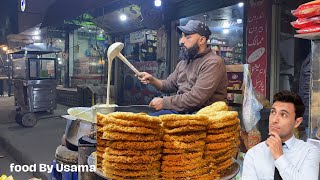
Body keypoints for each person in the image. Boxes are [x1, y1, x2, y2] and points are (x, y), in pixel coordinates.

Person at [138, 20, 228, 116]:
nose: (181, 41)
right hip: (183, 111)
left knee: (148, 123)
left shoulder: (213, 62)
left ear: (202, 40)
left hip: (202, 114)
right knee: (141, 119)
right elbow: (169, 84)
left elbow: (196, 98)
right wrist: (152, 80)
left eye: (188, 37)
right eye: (182, 36)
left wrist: (164, 102)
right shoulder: (184, 62)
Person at [242, 90, 320, 180]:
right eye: (273, 112)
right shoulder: (254, 154)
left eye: (283, 115)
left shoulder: (309, 152)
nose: (274, 120)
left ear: (297, 122)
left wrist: (279, 157)